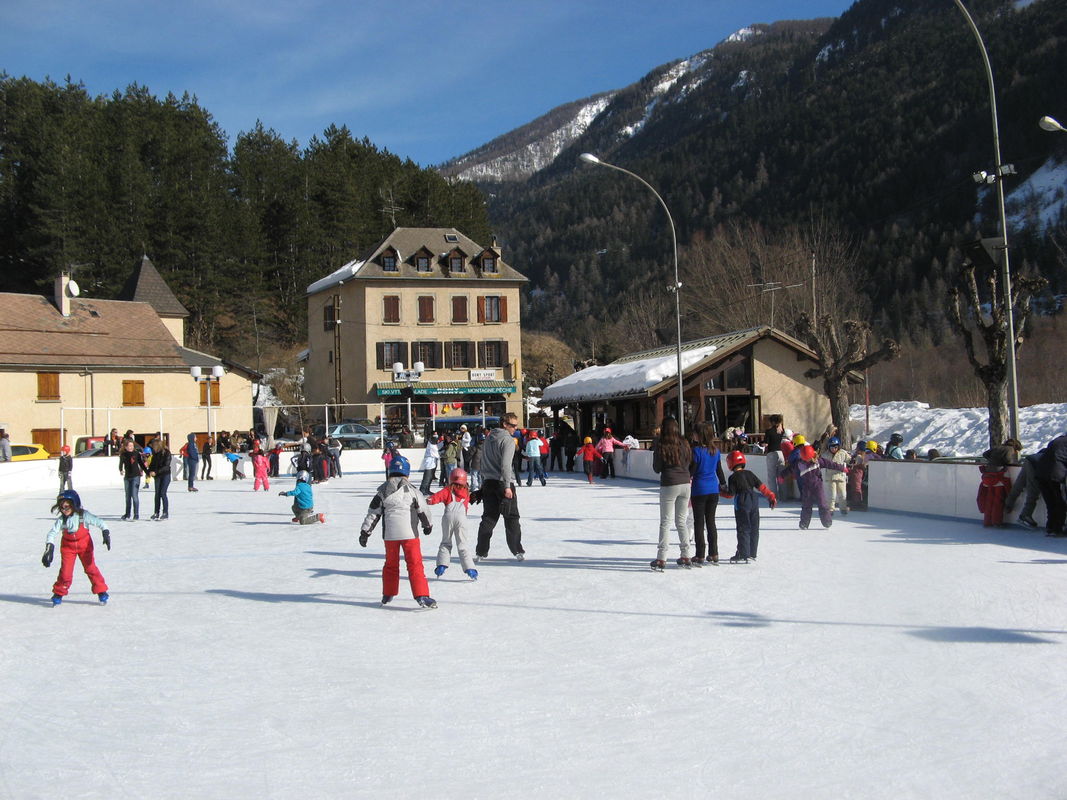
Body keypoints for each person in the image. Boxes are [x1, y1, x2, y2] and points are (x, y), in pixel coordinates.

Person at [358, 455, 437, 609]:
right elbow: (423, 509)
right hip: (410, 535)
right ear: (407, 473)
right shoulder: (413, 491)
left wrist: (365, 532)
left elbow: (373, 514)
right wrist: (428, 525)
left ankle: (388, 594)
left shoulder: (382, 492)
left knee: (390, 565)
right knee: (415, 564)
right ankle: (422, 595)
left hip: (390, 536)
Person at [41, 489, 111, 605]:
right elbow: (52, 533)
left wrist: (105, 532)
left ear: (74, 504)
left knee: (90, 568)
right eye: (62, 508)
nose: (64, 510)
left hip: (85, 546)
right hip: (68, 548)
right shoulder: (62, 520)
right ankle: (59, 592)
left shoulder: (84, 515)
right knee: (66, 572)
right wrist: (49, 548)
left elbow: (100, 522)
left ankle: (101, 591)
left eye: (67, 507)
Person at [474, 412, 526, 562]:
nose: (515, 429)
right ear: (504, 424)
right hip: (503, 483)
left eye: (516, 426)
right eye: (513, 425)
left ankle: (481, 552)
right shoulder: (508, 440)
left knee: (489, 518)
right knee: (511, 518)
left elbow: (482, 460)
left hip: (489, 482)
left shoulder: (489, 438)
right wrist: (507, 486)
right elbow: (505, 465)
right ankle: (517, 550)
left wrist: (484, 481)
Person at [651, 418, 693, 571]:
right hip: (685, 483)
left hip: (669, 483)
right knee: (681, 521)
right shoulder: (685, 443)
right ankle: (686, 554)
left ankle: (662, 558)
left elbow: (657, 468)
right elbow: (689, 462)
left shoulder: (662, 444)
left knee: (666, 522)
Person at [720, 451, 777, 563]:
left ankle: (743, 553)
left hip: (742, 501)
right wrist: (771, 496)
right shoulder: (750, 473)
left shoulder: (733, 477)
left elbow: (730, 494)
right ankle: (752, 552)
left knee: (743, 528)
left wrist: (720, 492)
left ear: (730, 463)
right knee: (754, 527)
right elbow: (762, 487)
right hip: (754, 500)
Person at [428, 467, 478, 581]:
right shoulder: (466, 491)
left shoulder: (447, 490)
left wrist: (427, 500)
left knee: (446, 542)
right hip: (462, 518)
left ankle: (441, 566)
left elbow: (434, 499)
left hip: (448, 517)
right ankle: (470, 570)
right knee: (463, 545)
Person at [690, 422, 726, 565]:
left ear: (699, 435)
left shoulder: (696, 451)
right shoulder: (715, 451)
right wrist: (723, 484)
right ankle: (714, 553)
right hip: (713, 490)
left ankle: (700, 554)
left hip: (699, 490)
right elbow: (719, 470)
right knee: (711, 522)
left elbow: (692, 471)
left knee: (699, 522)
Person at [795, 444, 846, 529]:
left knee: (822, 504)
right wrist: (782, 476)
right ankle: (804, 523)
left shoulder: (818, 461)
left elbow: (830, 464)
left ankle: (827, 522)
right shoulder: (799, 464)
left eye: (808, 458)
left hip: (818, 487)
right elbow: (790, 469)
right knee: (806, 506)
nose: (807, 460)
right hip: (806, 488)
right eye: (805, 459)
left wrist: (841, 468)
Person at [1034, 434, 1067, 537]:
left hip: (1041, 473)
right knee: (1060, 502)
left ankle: (1050, 527)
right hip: (1056, 474)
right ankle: (1058, 529)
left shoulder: (1056, 440)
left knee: (1050, 502)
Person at [1005, 448, 1044, 528]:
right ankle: (1025, 515)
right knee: (1033, 490)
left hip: (1029, 459)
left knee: (1019, 484)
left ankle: (1007, 505)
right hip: (1036, 464)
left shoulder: (1054, 447)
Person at [118, 439, 146, 520]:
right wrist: (120, 470)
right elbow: (120, 464)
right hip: (127, 477)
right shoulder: (123, 454)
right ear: (125, 447)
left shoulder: (136, 453)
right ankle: (127, 514)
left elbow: (141, 463)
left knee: (134, 495)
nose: (131, 447)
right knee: (127, 496)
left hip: (135, 476)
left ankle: (136, 514)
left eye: (132, 446)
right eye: (129, 446)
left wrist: (147, 471)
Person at [146, 437, 172, 520]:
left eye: (153, 446)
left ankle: (165, 512)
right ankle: (156, 512)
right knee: (157, 494)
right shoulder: (155, 454)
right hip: (157, 476)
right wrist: (150, 471)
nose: (152, 448)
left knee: (162, 493)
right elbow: (152, 464)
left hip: (165, 475)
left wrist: (156, 472)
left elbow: (166, 466)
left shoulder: (166, 453)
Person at [824, 437, 850, 515]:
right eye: (832, 447)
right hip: (830, 477)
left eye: (835, 447)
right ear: (829, 447)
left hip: (840, 477)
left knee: (842, 494)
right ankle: (830, 509)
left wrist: (853, 461)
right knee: (832, 495)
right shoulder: (826, 454)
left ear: (838, 446)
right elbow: (821, 460)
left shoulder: (843, 453)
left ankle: (843, 508)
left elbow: (849, 459)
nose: (834, 449)